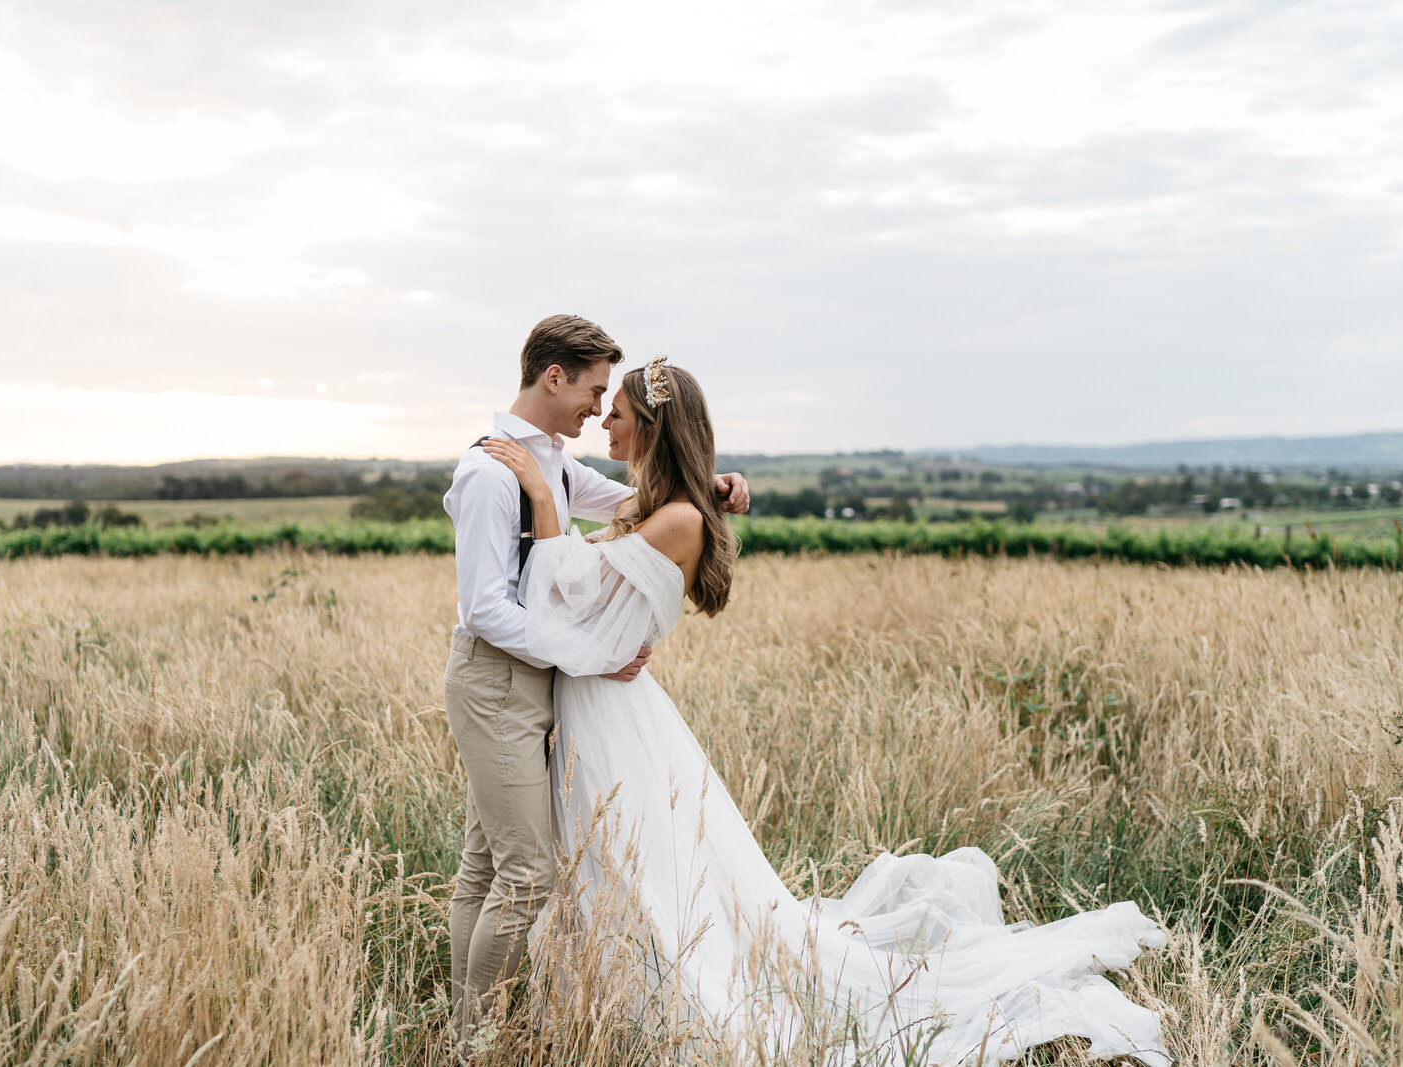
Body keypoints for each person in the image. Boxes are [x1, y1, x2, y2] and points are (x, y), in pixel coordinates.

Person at [479, 357, 1171, 1065]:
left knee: (638, 871)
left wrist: (537, 489)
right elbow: (593, 584)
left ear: (651, 426)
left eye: (617, 412)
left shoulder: (678, 519)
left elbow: (556, 583)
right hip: (599, 697)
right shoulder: (651, 507)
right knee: (613, 863)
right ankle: (587, 999)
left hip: (607, 708)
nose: (604, 423)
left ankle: (643, 1000)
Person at [441, 315, 750, 1045]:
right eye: (593, 389)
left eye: (610, 399)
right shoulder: (491, 472)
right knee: (522, 877)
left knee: (485, 866)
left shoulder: (547, 461)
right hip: (496, 681)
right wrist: (584, 654)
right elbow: (486, 610)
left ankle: (464, 1029)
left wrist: (712, 485)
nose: (597, 408)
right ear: (555, 377)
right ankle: (472, 1039)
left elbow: (626, 505)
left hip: (534, 679)